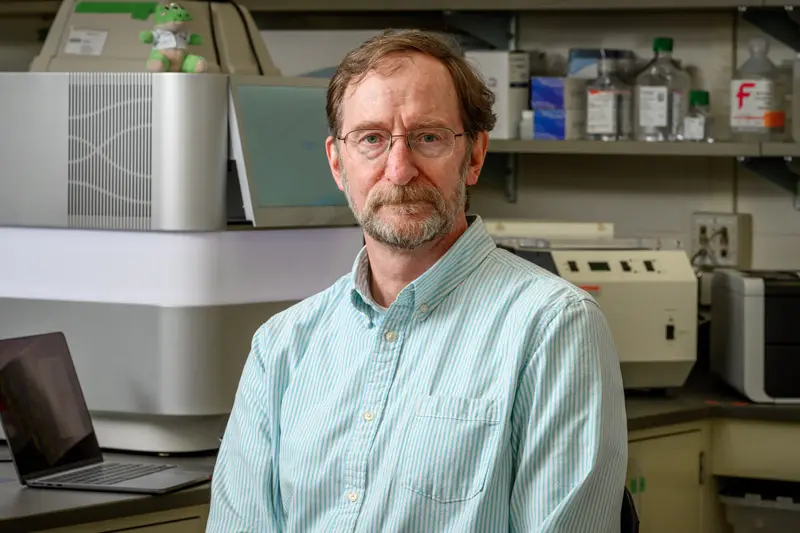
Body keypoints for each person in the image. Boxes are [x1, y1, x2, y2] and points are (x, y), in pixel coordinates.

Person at [206, 29, 628, 532]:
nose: (399, 169)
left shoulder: (552, 328)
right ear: (338, 163)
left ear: (473, 156)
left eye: (428, 137)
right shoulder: (283, 346)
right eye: (371, 139)